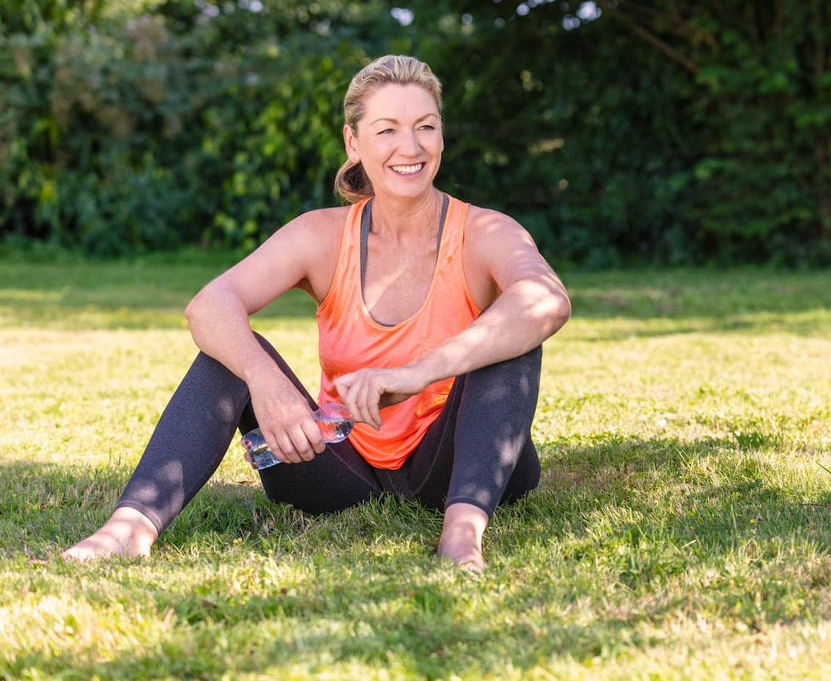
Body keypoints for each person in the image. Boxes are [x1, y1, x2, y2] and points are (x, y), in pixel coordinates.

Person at [62, 54, 571, 570]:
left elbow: (547, 300)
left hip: (461, 464)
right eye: (387, 130)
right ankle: (129, 527)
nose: (410, 147)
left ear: (442, 135)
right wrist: (267, 382)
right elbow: (209, 305)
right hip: (337, 467)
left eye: (426, 127)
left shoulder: (484, 231)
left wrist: (417, 373)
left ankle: (461, 537)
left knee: (511, 340)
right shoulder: (323, 236)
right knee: (232, 353)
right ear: (354, 142)